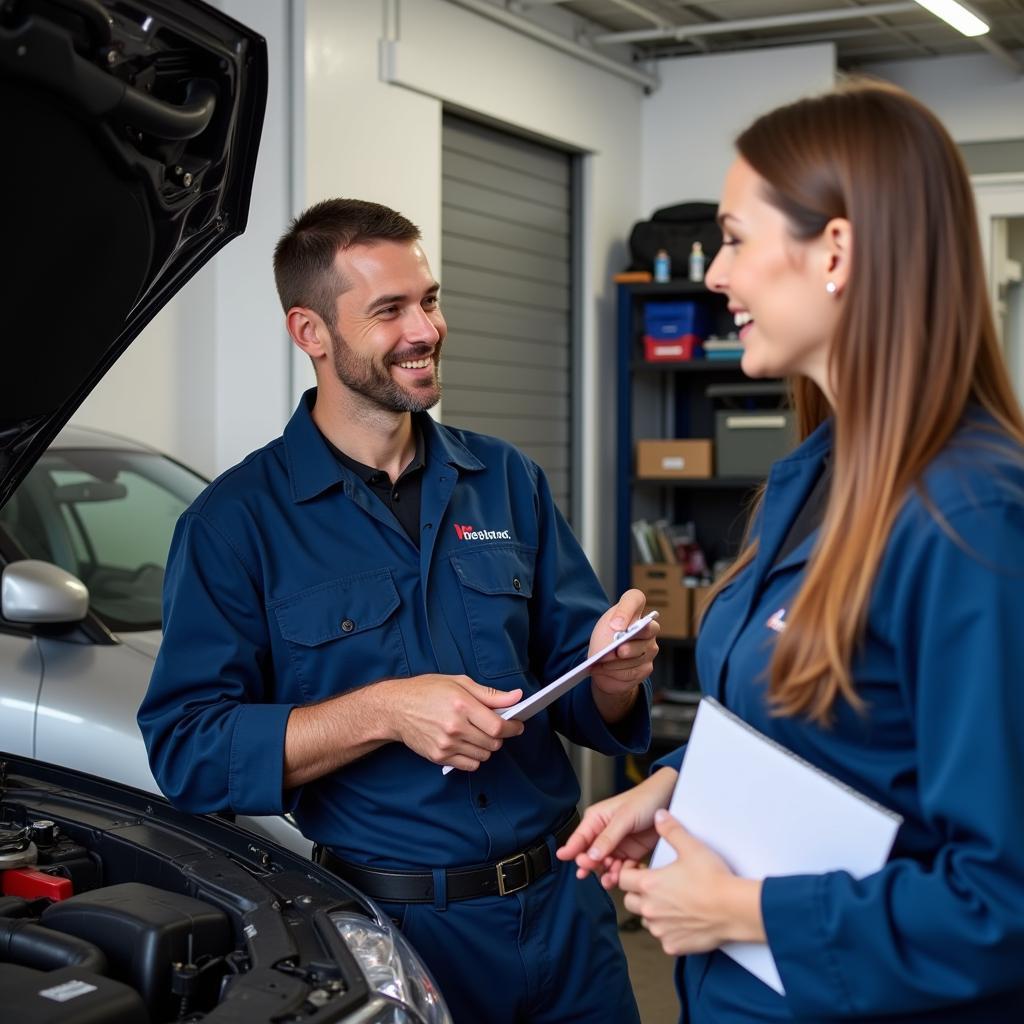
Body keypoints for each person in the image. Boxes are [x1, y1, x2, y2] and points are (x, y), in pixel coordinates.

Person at [557, 80, 1024, 1023]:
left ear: (837, 252)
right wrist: (669, 787)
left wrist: (750, 910)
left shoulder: (971, 519)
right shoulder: (815, 478)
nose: (716, 275)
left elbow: (1002, 899)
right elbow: (835, 739)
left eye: (734, 237)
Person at [138, 198, 659, 1023]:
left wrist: (616, 671)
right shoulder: (235, 524)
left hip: (565, 917)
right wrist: (382, 712)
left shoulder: (507, 479)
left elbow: (585, 690)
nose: (426, 328)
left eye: (430, 298)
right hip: (398, 935)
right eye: (389, 310)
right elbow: (189, 748)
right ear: (310, 332)